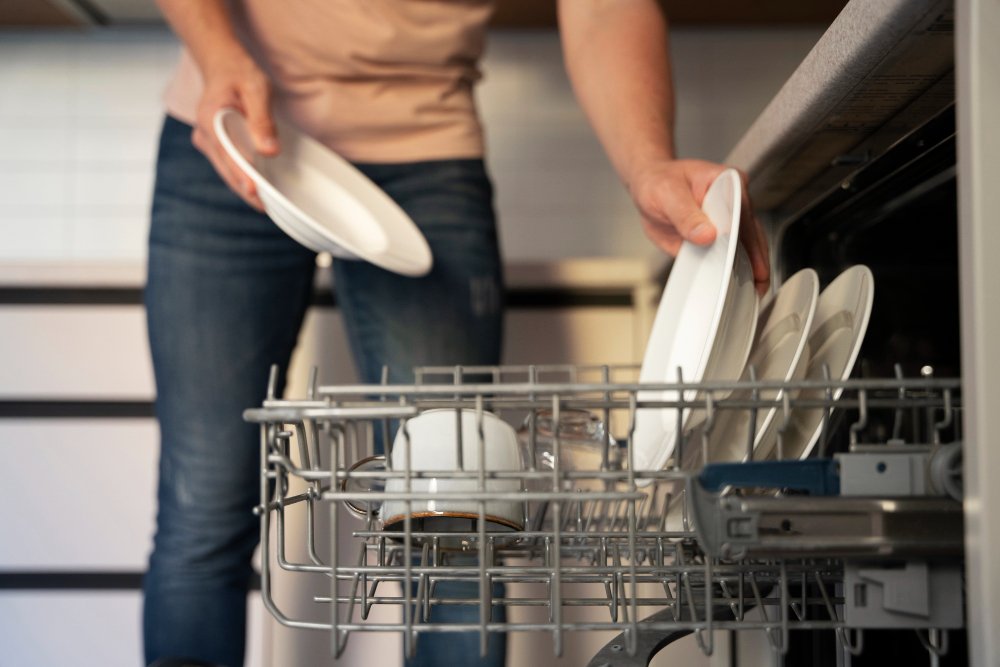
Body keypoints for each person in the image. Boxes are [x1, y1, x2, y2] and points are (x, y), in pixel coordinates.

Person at [142, 1, 771, 666]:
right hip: (234, 124)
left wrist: (647, 163)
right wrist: (218, 54)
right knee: (203, 505)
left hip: (425, 153)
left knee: (455, 523)